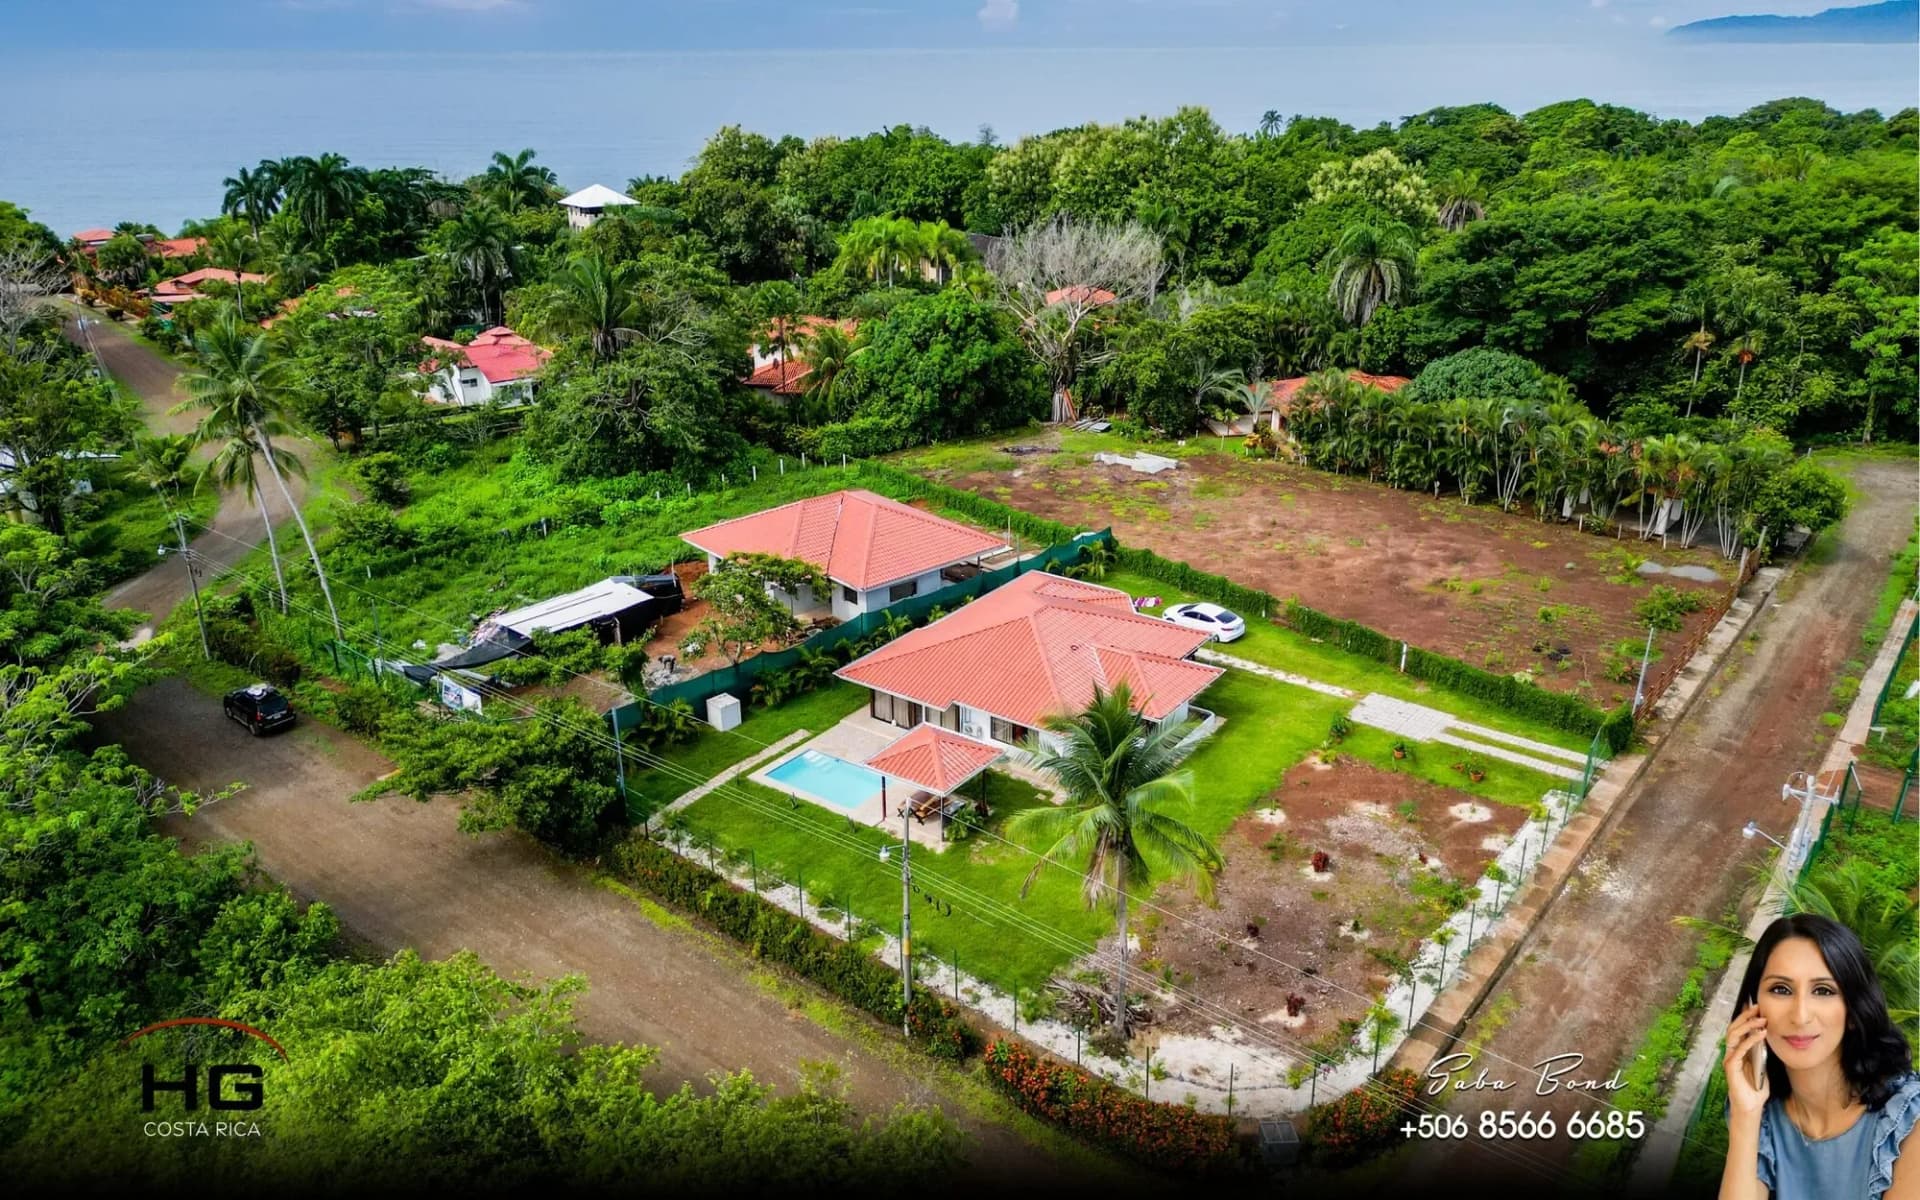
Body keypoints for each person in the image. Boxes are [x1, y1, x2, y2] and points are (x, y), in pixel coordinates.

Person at [1720, 913, 1920, 1199]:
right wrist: (1746, 1113)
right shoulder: (1759, 1115)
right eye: (1781, 989)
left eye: (1823, 991)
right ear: (1752, 1008)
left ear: (1853, 1009)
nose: (1800, 1016)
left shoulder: (1908, 1122)